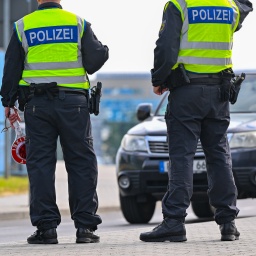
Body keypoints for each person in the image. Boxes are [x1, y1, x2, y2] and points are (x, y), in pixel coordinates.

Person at [140, 0, 253, 242]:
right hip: (220, 92)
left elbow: (166, 47)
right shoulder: (230, 7)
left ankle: (174, 222)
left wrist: (158, 78)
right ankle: (228, 223)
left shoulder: (179, 5)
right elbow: (246, 5)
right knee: (219, 155)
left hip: (187, 91)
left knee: (182, 156)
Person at [0, 0, 109, 244]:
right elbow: (94, 61)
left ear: (38, 0)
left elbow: (12, 68)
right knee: (81, 162)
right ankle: (85, 228)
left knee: (40, 165)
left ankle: (46, 229)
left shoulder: (22, 26)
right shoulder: (77, 23)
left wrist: (8, 102)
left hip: (37, 106)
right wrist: (104, 50)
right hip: (74, 105)